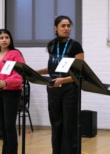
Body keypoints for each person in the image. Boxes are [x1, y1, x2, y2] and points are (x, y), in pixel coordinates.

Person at [36, 15, 84, 154]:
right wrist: (36, 72)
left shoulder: (75, 46)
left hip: (70, 89)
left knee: (69, 126)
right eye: (63, 26)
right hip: (53, 89)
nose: (67, 28)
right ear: (55, 28)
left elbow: (79, 73)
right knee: (56, 124)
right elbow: (52, 69)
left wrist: (63, 80)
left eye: (69, 25)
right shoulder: (52, 45)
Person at [0, 29, 25, 154]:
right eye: (1, 38)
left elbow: (19, 75)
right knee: (2, 125)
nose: (4, 40)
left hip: (11, 92)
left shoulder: (15, 54)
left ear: (10, 39)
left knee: (9, 125)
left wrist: (7, 82)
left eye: (6, 37)